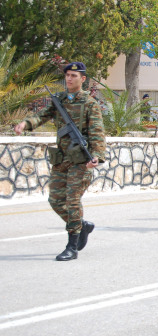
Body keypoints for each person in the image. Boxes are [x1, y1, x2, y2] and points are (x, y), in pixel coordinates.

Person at [14, 62, 106, 261]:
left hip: (81, 161)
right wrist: (25, 123)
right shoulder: (59, 101)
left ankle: (71, 247)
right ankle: (82, 225)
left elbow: (97, 133)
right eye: (67, 75)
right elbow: (41, 116)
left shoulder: (90, 104)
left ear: (83, 79)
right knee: (55, 200)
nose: (69, 79)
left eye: (73, 75)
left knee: (72, 200)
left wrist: (96, 156)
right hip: (62, 160)